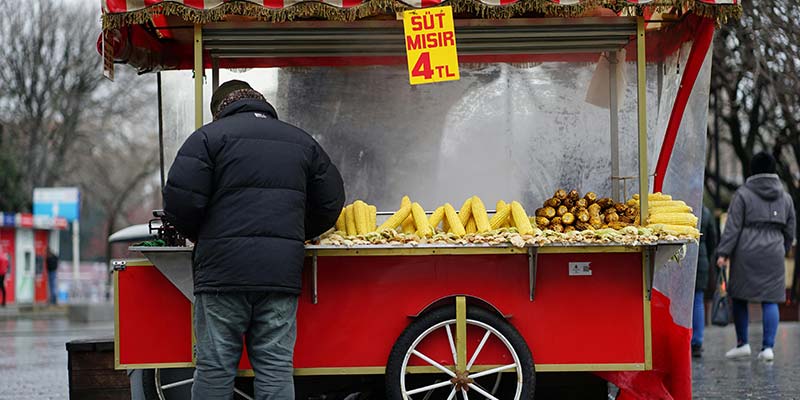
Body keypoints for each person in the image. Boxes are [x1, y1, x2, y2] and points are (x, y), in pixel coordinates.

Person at [163, 80, 345, 399]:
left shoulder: (206, 138)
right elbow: (330, 204)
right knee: (275, 367)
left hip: (221, 274)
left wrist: (204, 236)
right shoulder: (302, 142)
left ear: (220, 110)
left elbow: (180, 203)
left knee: (215, 368)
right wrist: (294, 233)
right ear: (262, 103)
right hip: (279, 274)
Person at [716, 152, 796, 361]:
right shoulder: (785, 197)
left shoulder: (743, 194)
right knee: (771, 299)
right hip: (774, 251)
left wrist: (724, 253)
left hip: (746, 251)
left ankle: (743, 343)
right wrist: (782, 247)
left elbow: (732, 227)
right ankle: (768, 347)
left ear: (752, 170)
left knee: (740, 296)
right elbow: (790, 229)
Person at [691, 205, 717, 358]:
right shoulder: (705, 212)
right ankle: (697, 341)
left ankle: (682, 339)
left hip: (683, 259)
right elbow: (713, 241)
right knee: (698, 301)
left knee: (682, 301)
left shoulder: (680, 205)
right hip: (702, 260)